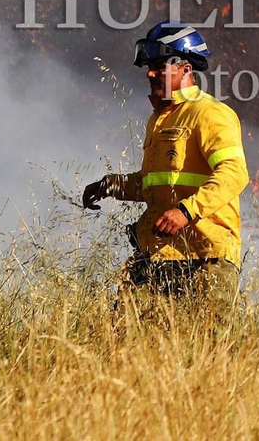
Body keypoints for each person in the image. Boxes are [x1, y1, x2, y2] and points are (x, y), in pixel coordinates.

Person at [83, 21, 248, 324]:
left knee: (207, 345)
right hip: (157, 254)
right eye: (150, 67)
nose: (150, 74)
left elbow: (234, 173)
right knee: (123, 333)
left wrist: (186, 212)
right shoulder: (159, 119)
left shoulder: (210, 113)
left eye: (159, 67)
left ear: (185, 69)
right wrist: (112, 185)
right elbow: (157, 183)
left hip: (206, 257)